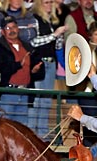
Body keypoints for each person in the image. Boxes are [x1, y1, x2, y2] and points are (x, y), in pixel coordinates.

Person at [0, 15, 44, 126]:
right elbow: (0, 70)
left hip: (24, 92)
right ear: (2, 32)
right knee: (4, 127)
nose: (12, 30)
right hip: (7, 92)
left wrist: (34, 71)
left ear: (18, 29)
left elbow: (39, 68)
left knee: (21, 128)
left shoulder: (27, 46)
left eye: (14, 27)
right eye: (8, 28)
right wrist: (18, 64)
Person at [27, 0, 67, 137]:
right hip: (39, 62)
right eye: (46, 2)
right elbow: (33, 41)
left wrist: (59, 39)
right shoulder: (34, 19)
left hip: (51, 63)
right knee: (37, 98)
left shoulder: (53, 21)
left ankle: (42, 132)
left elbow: (56, 46)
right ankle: (32, 131)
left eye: (51, 2)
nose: (49, 5)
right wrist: (54, 35)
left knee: (46, 100)